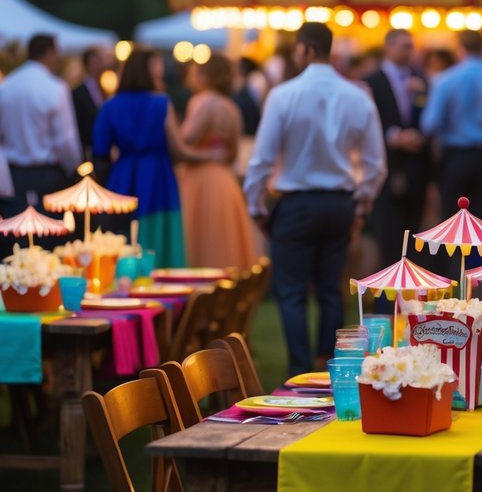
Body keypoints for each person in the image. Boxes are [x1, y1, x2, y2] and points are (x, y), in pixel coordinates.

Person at [244, 22, 386, 377]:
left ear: (306, 50)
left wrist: (256, 205)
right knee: (330, 288)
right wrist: (362, 206)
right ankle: (328, 365)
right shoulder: (357, 95)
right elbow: (375, 165)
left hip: (297, 202)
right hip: (339, 203)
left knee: (291, 291)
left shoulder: (283, 94)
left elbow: (261, 160)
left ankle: (299, 370)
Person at [92, 48, 203, 267]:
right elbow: (178, 148)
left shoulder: (110, 106)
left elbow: (99, 151)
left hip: (122, 175)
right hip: (157, 175)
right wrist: (208, 155)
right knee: (158, 233)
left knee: (122, 235)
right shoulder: (160, 103)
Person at [420, 30, 482, 225]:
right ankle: (480, 257)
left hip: (455, 157)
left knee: (451, 224)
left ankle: (454, 257)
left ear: (460, 50)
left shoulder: (444, 80)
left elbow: (429, 124)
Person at [0, 34, 82, 252]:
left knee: (16, 242)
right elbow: (66, 140)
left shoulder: (7, 86)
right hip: (47, 175)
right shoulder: (54, 87)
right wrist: (73, 168)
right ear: (50, 53)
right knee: (50, 241)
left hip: (14, 174)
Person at [178, 54, 257, 271]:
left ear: (205, 76)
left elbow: (184, 141)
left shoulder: (201, 102)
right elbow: (233, 153)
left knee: (200, 239)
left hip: (200, 179)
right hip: (224, 180)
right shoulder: (232, 108)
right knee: (223, 239)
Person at [365, 30, 430, 268]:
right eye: (404, 46)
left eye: (411, 47)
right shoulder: (372, 80)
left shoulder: (420, 78)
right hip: (387, 164)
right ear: (388, 47)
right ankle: (387, 296)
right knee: (389, 235)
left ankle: (412, 295)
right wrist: (391, 137)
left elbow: (430, 115)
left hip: (416, 166)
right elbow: (366, 121)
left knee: (413, 235)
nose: (408, 52)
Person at [72, 46, 105, 160]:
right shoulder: (77, 93)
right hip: (88, 150)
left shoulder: (105, 89)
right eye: (95, 61)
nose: (99, 65)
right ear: (87, 64)